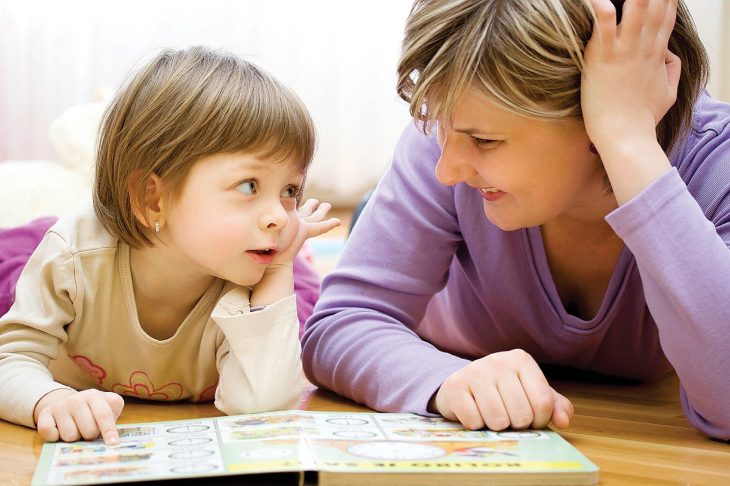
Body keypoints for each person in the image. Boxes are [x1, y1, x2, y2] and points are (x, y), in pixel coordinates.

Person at [302, 0, 730, 440]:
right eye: (441, 126)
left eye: (486, 140)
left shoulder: (716, 164)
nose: (447, 171)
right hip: (432, 311)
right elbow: (340, 324)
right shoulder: (437, 150)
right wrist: (444, 380)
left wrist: (630, 142)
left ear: (598, 116)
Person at [0, 46, 340, 445]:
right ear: (153, 198)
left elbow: (261, 407)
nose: (281, 216)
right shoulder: (75, 258)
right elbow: (12, 359)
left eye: (290, 190)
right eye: (249, 185)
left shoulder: (251, 278)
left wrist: (280, 270)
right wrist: (49, 398)